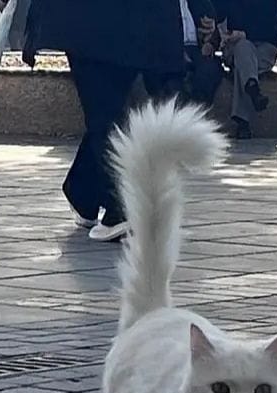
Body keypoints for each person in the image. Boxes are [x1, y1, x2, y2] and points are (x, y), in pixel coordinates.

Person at [26, 0, 186, 242]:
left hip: (86, 20)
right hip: (143, 24)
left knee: (103, 110)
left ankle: (119, 205)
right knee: (108, 105)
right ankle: (82, 192)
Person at [220, 0, 277, 139]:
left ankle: (243, 122)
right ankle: (252, 90)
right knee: (243, 48)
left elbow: (269, 25)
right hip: (236, 46)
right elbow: (217, 13)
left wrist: (245, 33)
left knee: (243, 65)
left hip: (264, 47)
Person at [143, 0, 223, 108]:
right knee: (173, 82)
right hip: (167, 53)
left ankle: (197, 109)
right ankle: (183, 109)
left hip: (196, 50)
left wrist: (210, 43)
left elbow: (214, 32)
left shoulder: (201, 3)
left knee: (210, 70)